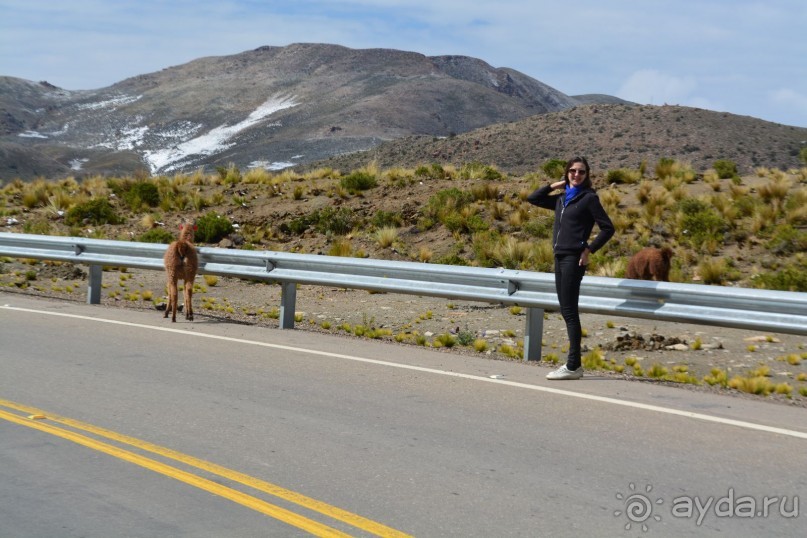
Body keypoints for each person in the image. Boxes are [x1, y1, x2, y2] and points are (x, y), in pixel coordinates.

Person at [526, 157, 614, 380]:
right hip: (559, 257)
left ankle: (573, 365)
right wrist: (555, 185)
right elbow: (533, 198)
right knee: (566, 310)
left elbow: (607, 228)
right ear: (567, 173)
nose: (577, 175)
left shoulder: (589, 198)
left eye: (581, 172)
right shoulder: (562, 199)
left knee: (569, 311)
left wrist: (588, 250)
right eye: (573, 171)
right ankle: (574, 365)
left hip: (573, 259)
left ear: (587, 175)